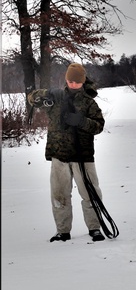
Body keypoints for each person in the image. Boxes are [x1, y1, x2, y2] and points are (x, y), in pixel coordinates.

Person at [27, 63, 108, 243]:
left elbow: (99, 126)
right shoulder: (57, 97)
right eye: (70, 81)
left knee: (90, 193)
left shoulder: (89, 102)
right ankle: (62, 231)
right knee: (59, 194)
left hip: (82, 156)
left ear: (82, 82)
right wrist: (44, 95)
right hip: (59, 154)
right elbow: (31, 98)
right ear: (66, 79)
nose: (73, 84)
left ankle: (94, 228)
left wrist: (81, 121)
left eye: (76, 82)